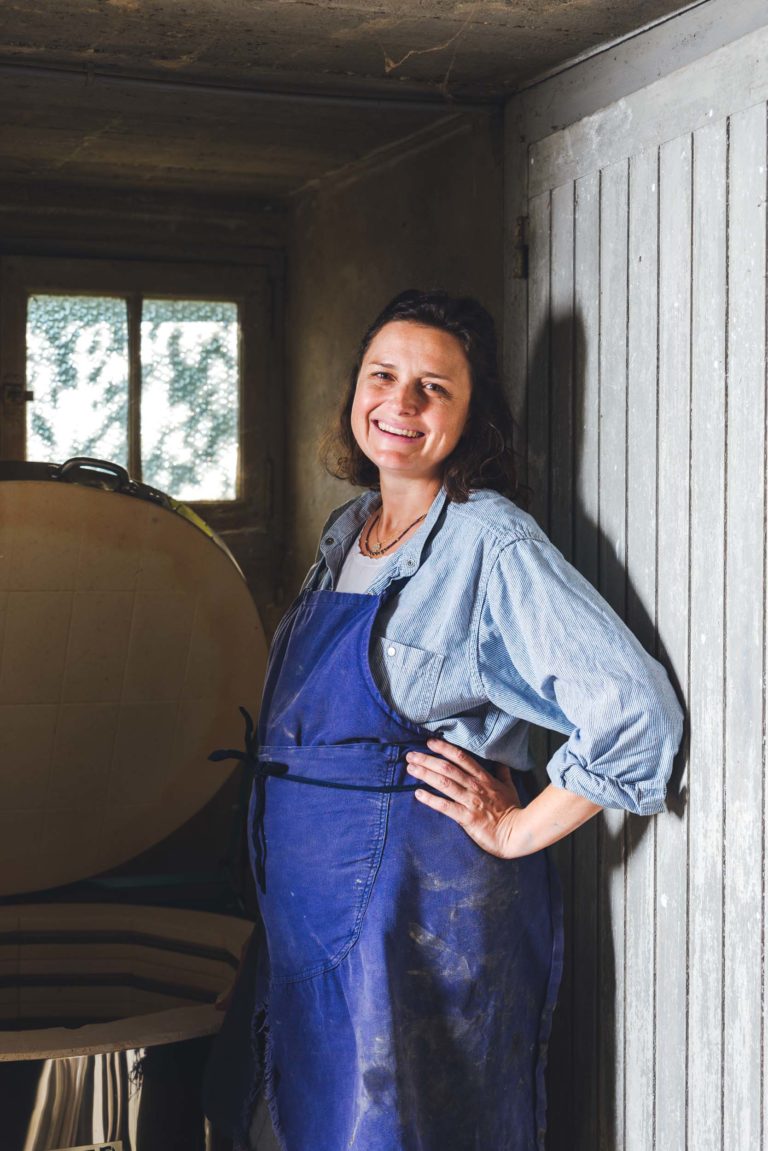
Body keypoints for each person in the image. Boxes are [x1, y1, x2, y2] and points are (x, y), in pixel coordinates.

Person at [204, 289, 683, 1151]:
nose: (401, 402)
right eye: (383, 375)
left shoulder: (489, 540)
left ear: (474, 416)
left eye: (436, 387)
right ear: (355, 388)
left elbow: (636, 711)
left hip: (416, 916)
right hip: (308, 916)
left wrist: (516, 826)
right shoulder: (349, 530)